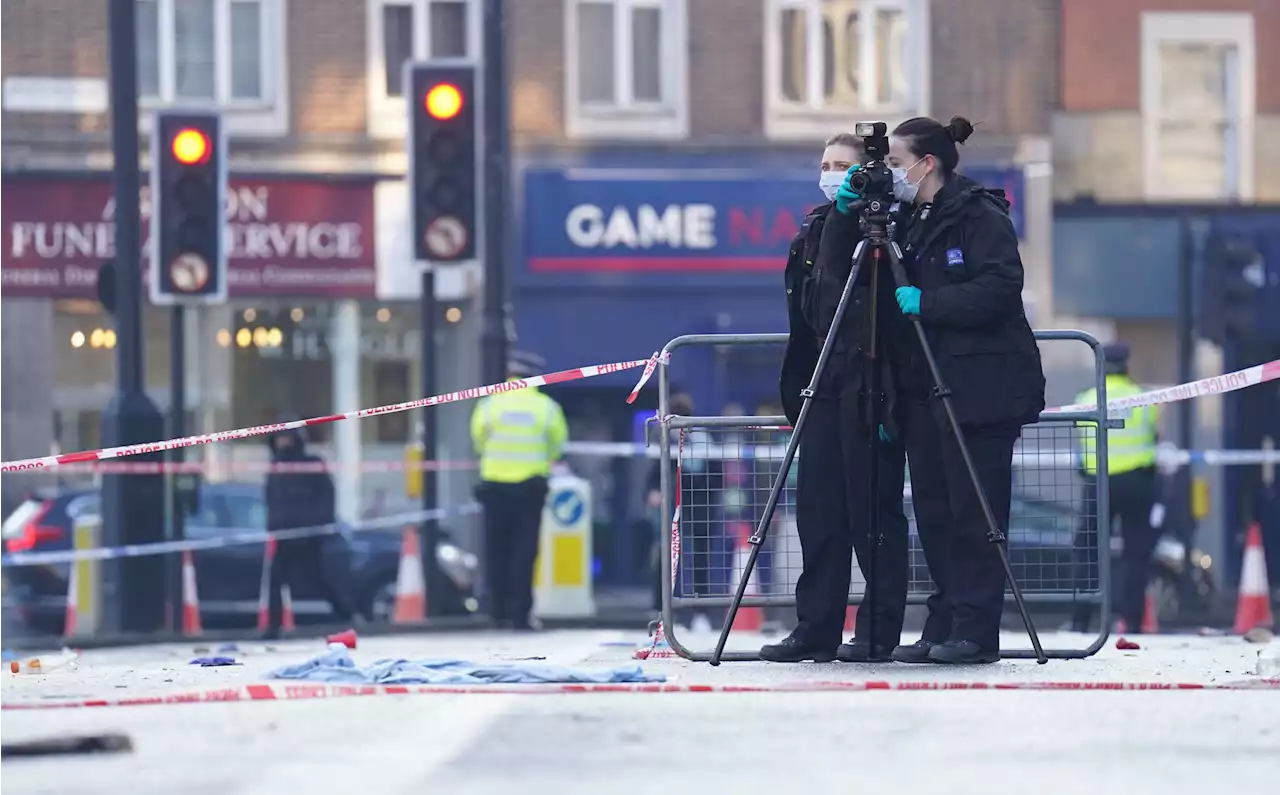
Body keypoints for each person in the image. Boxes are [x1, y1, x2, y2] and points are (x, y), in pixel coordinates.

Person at [885, 115, 1047, 664]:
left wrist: (929, 304)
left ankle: (976, 632)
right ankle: (943, 623)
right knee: (934, 511)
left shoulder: (979, 215)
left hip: (979, 390)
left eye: (894, 161)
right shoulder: (908, 218)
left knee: (973, 513)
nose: (889, 173)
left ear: (926, 163)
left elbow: (1001, 287)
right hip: (925, 389)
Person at [759, 131, 912, 663]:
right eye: (824, 163)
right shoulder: (818, 228)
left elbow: (876, 308)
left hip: (872, 385)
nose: (831, 174)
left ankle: (876, 631)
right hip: (823, 383)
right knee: (818, 515)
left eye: (842, 165)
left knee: (873, 514)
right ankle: (815, 627)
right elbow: (819, 309)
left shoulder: (896, 227)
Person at [470, 351, 568, 630]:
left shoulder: (490, 404)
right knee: (525, 552)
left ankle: (496, 612)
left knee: (495, 550)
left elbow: (478, 439)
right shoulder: (546, 407)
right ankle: (520, 614)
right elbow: (557, 446)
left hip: (495, 485)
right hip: (529, 488)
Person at [1070, 342, 1161, 633]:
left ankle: (1081, 620)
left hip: (1098, 483)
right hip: (1137, 481)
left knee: (1089, 552)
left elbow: (1082, 445)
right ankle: (1131, 620)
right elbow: (1153, 436)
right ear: (1126, 364)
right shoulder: (1143, 398)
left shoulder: (1085, 398)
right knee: (1136, 552)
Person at [263, 427, 362, 639]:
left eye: (287, 438)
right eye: (280, 438)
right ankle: (273, 627)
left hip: (309, 534)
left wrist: (318, 524)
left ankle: (349, 616)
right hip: (285, 534)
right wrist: (273, 525)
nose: (283, 443)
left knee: (320, 579)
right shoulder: (276, 468)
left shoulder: (312, 463)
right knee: (276, 580)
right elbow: (271, 500)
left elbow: (326, 496)